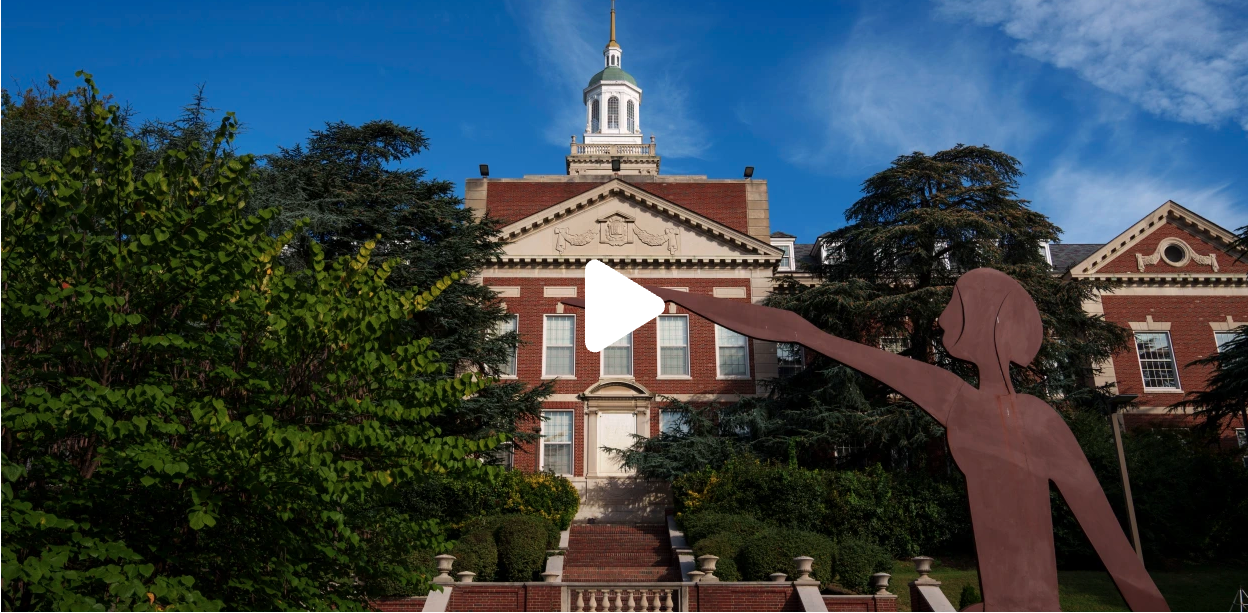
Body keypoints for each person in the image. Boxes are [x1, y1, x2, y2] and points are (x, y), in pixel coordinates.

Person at [570, 268, 1168, 611]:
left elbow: (1110, 540)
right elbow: (800, 330)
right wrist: (673, 296)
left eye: (954, 306)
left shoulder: (1007, 412)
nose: (937, 319)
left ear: (990, 322)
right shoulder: (956, 395)